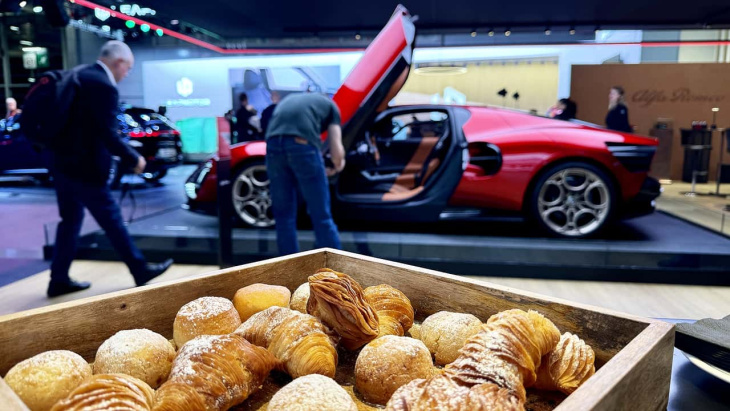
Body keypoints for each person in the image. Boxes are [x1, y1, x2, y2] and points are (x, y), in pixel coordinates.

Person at [47, 40, 172, 298]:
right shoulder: (103, 85)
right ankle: (139, 270)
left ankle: (58, 279)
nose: (126, 75)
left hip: (61, 165)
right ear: (119, 62)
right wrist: (133, 158)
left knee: (69, 221)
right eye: (128, 69)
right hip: (86, 169)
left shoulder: (78, 74)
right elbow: (106, 133)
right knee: (111, 219)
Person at [265, 92, 345, 255]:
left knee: (284, 216)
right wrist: (338, 166)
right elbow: (336, 152)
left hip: (272, 145)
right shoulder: (331, 106)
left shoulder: (290, 99)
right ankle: (336, 271)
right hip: (302, 144)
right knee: (321, 214)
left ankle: (289, 269)